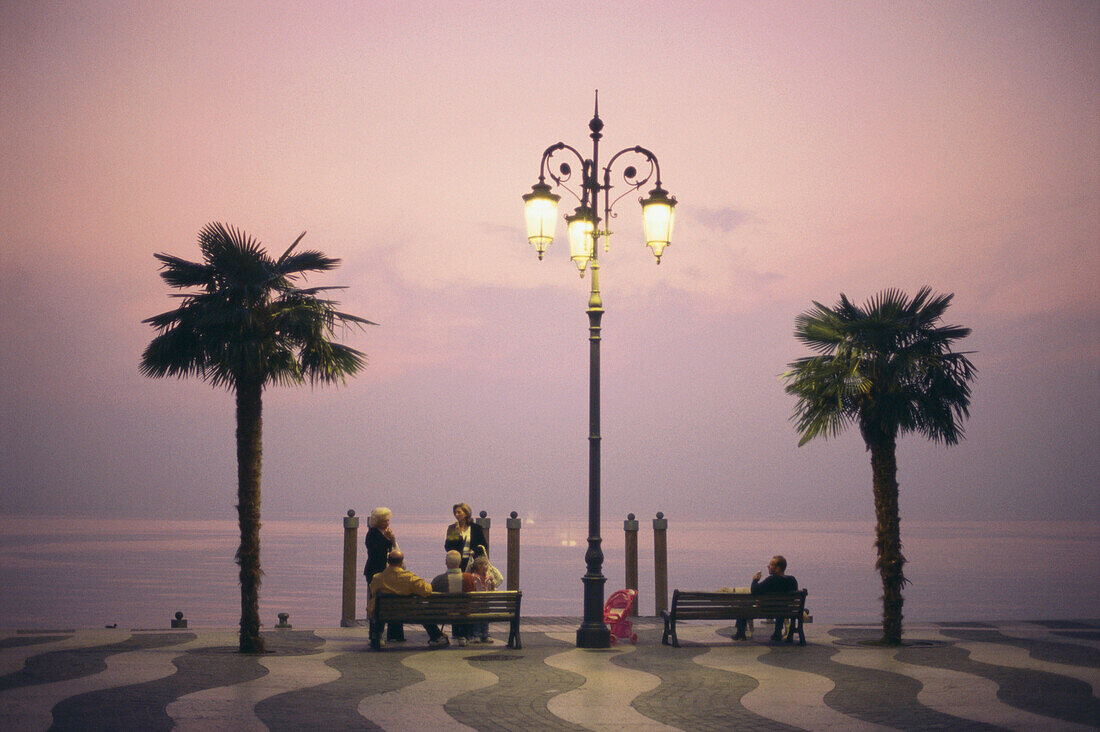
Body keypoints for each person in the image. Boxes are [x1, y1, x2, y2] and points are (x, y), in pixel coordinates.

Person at [368, 550, 449, 650]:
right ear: (401, 563)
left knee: (377, 607)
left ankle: (377, 637)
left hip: (383, 613)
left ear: (388, 562)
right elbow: (427, 590)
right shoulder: (409, 579)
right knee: (424, 610)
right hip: (408, 613)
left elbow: (372, 590)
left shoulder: (377, 579)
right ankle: (436, 636)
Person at [733, 555, 798, 641]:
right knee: (781, 607)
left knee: (743, 607)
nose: (768, 566)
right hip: (786, 610)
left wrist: (755, 580)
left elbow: (754, 591)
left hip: (766, 610)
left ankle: (740, 633)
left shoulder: (771, 580)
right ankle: (777, 633)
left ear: (778, 568)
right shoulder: (792, 580)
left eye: (771, 564)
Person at [364, 507, 404, 642]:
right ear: (378, 521)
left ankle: (395, 633)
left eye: (388, 520)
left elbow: (394, 551)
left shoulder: (387, 533)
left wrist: (392, 540)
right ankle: (375, 633)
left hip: (388, 571)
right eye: (385, 520)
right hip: (375, 571)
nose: (387, 523)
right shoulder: (372, 534)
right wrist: (387, 540)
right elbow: (376, 553)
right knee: (376, 602)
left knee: (392, 599)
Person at [431, 550, 476, 646]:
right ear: (460, 562)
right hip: (464, 614)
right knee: (465, 608)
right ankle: (463, 636)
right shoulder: (469, 578)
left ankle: (438, 636)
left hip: (443, 614)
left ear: (446, 562)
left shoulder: (438, 580)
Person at [444, 502, 488, 572]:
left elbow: (484, 545)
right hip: (457, 562)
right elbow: (448, 547)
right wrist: (456, 536)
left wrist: (475, 551)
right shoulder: (452, 528)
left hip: (472, 561)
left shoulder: (476, 528)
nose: (456, 515)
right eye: (455, 513)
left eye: (459, 512)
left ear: (466, 513)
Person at [467, 551, 500, 643]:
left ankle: (485, 634)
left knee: (485, 618)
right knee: (477, 619)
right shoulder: (474, 577)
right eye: (485, 564)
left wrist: (493, 583)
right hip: (476, 602)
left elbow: (493, 589)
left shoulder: (489, 577)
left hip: (485, 601)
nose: (487, 566)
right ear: (479, 566)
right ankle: (477, 634)